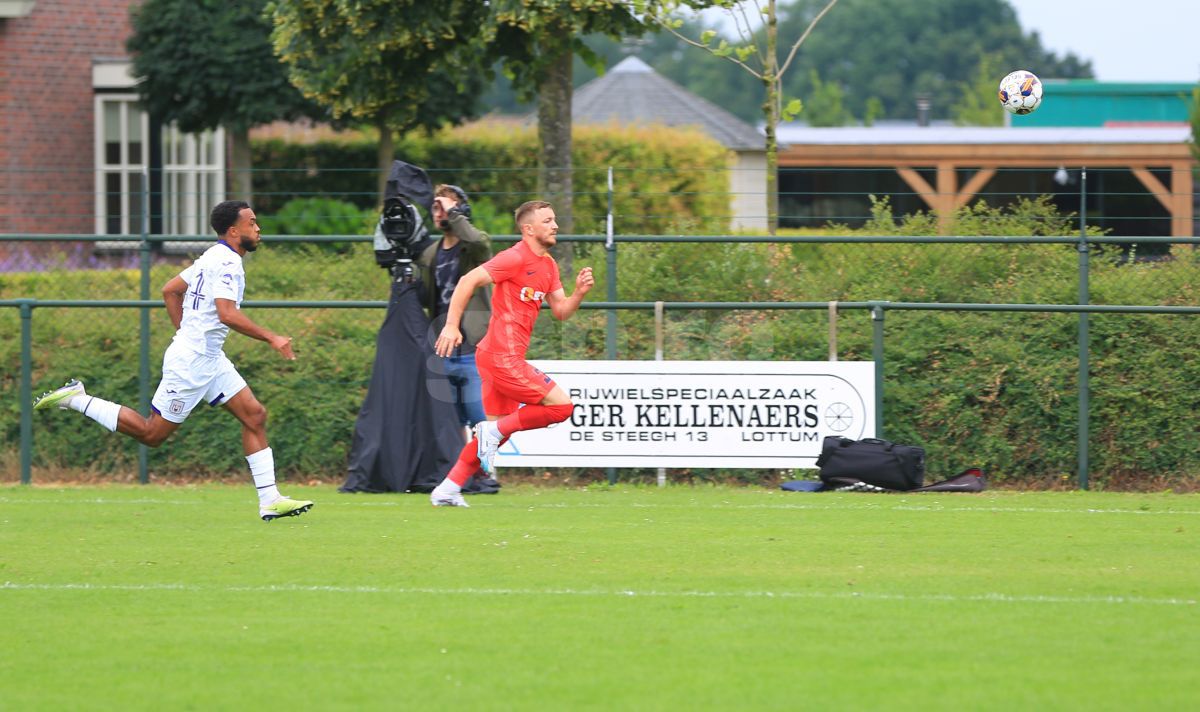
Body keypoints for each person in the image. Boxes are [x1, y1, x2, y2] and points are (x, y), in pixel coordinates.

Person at [33, 200, 313, 522]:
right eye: (252, 223)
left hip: (208, 358)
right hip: (193, 363)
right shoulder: (226, 264)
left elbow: (170, 290)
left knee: (254, 416)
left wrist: (188, 334)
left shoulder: (212, 256)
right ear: (234, 230)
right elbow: (227, 314)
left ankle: (270, 500)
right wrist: (271, 337)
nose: (258, 228)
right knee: (153, 435)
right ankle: (77, 399)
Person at [430, 200, 594, 507]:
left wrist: (579, 294)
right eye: (548, 221)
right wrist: (451, 325)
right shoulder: (514, 257)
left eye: (554, 219)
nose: (555, 225)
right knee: (562, 407)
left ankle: (448, 489)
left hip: (497, 358)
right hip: (500, 357)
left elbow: (560, 311)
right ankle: (490, 434)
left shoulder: (549, 266)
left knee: (493, 437)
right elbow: (468, 280)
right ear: (529, 229)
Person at [415, 184, 492, 439]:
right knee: (450, 421)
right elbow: (425, 297)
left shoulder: (473, 248)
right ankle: (458, 474)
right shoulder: (430, 253)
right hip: (441, 349)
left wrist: (454, 214)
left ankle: (486, 474)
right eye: (435, 208)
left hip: (472, 348)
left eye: (444, 207)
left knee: (479, 416)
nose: (439, 213)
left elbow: (479, 243)